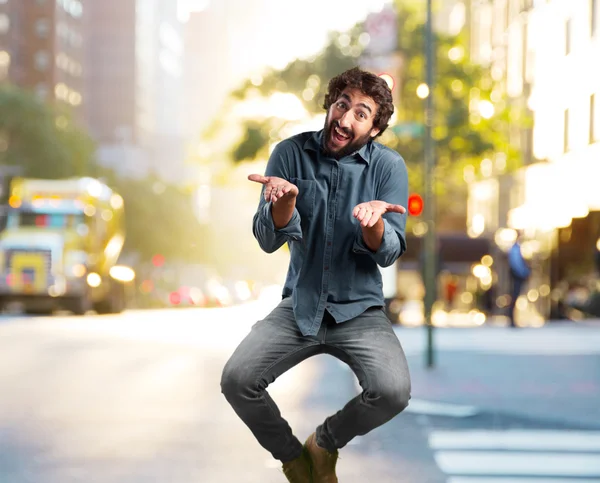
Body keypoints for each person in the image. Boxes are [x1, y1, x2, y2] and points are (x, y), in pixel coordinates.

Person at [220, 67, 411, 483]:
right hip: (301, 305)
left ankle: (323, 443)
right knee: (237, 380)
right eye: (342, 105)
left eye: (361, 113)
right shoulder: (289, 154)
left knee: (393, 392)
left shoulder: (388, 167)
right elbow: (267, 239)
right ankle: (295, 460)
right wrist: (283, 205)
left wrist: (375, 226)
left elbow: (391, 251)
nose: (345, 120)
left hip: (360, 310)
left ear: (375, 127)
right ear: (330, 104)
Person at [507, 231, 531, 327]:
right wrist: (524, 273)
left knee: (515, 297)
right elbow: (516, 263)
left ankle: (512, 319)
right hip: (517, 276)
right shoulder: (515, 249)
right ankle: (511, 319)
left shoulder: (516, 248)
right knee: (514, 297)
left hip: (517, 275)